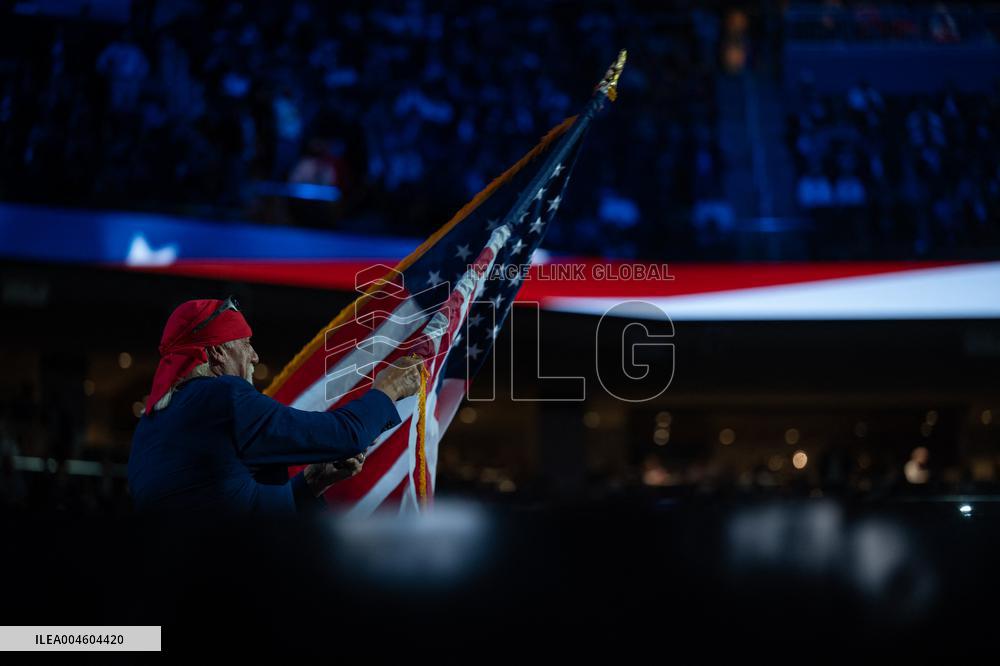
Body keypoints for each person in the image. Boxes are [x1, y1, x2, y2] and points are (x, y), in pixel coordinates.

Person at [128, 296, 422, 514]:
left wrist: (310, 483)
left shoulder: (149, 426)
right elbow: (345, 436)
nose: (254, 357)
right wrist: (389, 388)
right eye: (245, 344)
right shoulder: (222, 396)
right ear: (217, 353)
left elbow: (236, 507)